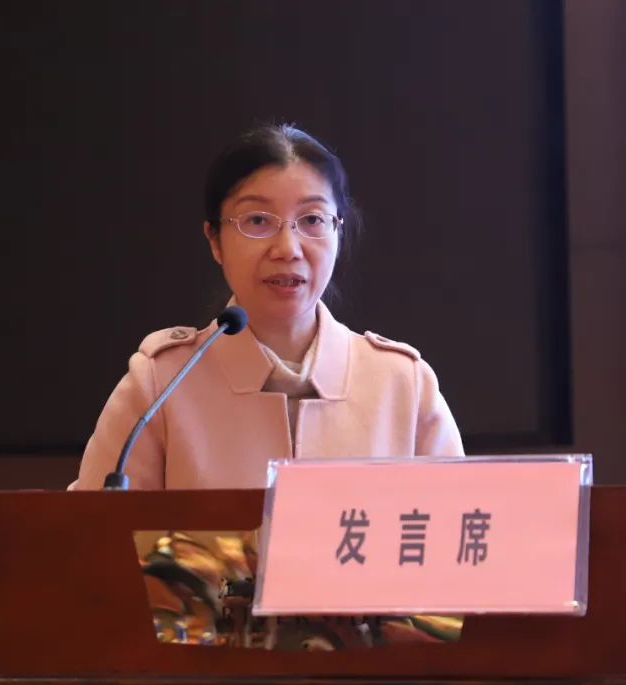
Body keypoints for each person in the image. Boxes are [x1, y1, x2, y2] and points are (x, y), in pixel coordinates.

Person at [69, 124, 463, 491]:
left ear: (338, 232)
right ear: (215, 240)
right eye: (257, 220)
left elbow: (459, 528)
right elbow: (91, 532)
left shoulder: (403, 385)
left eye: (312, 219)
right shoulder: (160, 385)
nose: (288, 249)